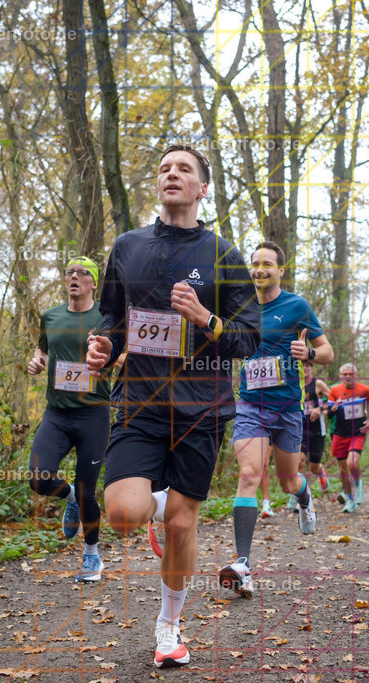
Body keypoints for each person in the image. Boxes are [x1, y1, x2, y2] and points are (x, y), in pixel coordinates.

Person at [85, 145, 259, 669]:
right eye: (164, 168)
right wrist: (104, 347)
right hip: (140, 403)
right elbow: (112, 320)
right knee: (123, 514)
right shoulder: (128, 247)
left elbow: (249, 338)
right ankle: (156, 502)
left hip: (202, 409)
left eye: (184, 169)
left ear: (202, 189)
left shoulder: (224, 255)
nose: (172, 174)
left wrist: (206, 318)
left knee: (184, 525)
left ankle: (169, 626)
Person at [219, 242, 333, 597]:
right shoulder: (239, 307)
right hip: (251, 405)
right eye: (254, 263)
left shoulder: (296, 306)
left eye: (267, 264)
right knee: (249, 474)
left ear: (280, 270)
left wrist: (308, 352)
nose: (259, 269)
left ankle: (304, 495)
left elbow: (327, 352)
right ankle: (243, 565)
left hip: (286, 408)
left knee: (286, 480)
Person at [26, 257, 111, 583]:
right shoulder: (51, 316)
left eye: (82, 273)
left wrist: (109, 359)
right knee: (38, 477)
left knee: (89, 492)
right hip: (57, 414)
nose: (74, 276)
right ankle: (68, 496)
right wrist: (37, 362)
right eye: (69, 272)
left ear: (93, 282)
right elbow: (42, 350)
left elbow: (123, 354)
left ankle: (91, 554)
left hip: (93, 414)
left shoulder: (105, 317)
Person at [326, 365, 369, 513]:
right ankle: (350, 499)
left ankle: (358, 484)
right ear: (340, 376)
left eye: (351, 374)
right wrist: (334, 408)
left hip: (357, 432)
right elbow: (329, 415)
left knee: (352, 463)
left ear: (356, 375)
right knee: (343, 470)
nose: (348, 377)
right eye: (345, 374)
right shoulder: (334, 390)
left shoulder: (365, 390)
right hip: (340, 434)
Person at [299, 360, 332, 499]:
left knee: (314, 467)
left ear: (312, 368)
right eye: (303, 365)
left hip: (317, 430)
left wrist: (320, 408)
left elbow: (334, 400)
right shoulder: (296, 384)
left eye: (308, 365)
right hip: (300, 429)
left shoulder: (318, 384)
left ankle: (321, 473)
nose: (305, 368)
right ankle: (300, 495)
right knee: (299, 461)